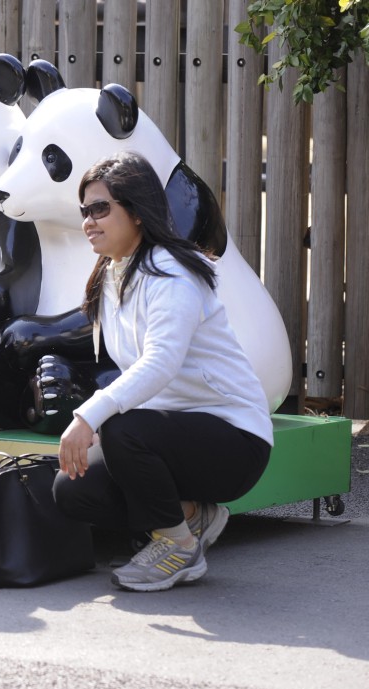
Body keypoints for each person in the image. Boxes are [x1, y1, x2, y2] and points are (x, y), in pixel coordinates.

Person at [52, 152, 273, 592]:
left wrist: (89, 417)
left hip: (235, 440)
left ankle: (178, 547)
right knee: (72, 489)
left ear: (135, 212)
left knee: (122, 432)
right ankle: (193, 516)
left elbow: (161, 361)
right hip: (170, 434)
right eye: (84, 211)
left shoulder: (173, 274)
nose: (89, 221)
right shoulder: (112, 276)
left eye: (101, 208)